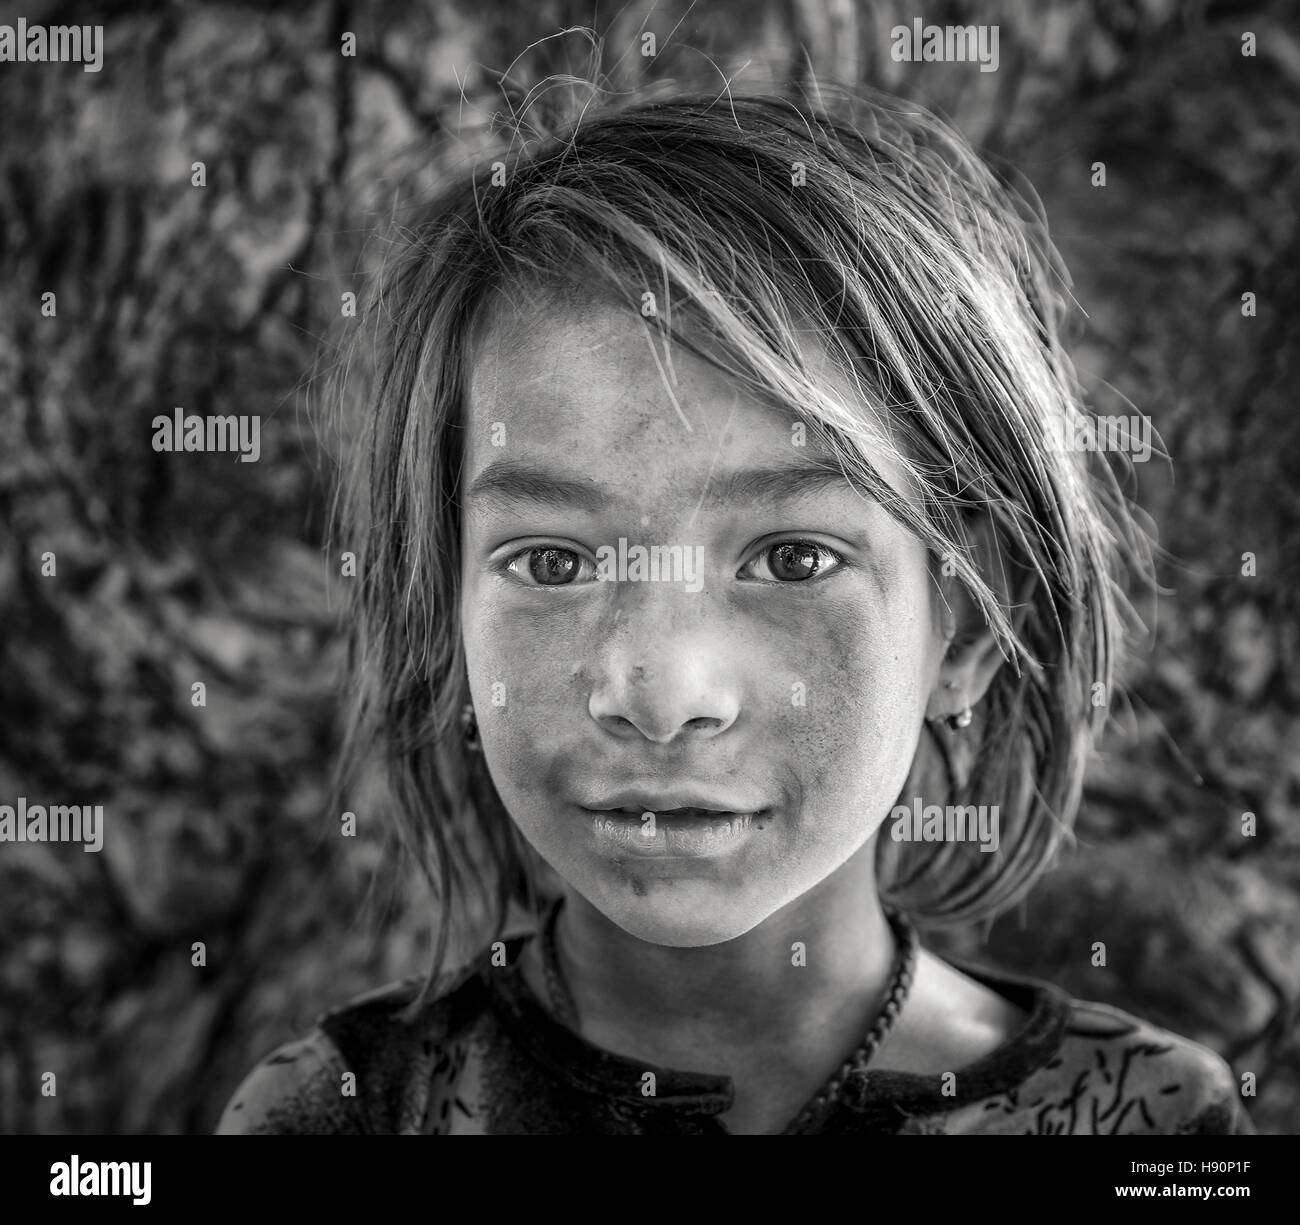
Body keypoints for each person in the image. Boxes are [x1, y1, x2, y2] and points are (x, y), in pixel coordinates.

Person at [216, 74, 1253, 1135]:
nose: (661, 696)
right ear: (448, 613)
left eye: (793, 559)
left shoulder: (1153, 1123)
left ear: (970, 628)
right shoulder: (337, 1112)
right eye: (554, 563)